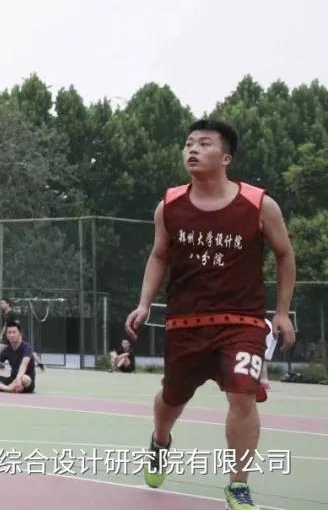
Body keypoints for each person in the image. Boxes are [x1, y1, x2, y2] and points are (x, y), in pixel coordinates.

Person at [125, 119, 296, 510]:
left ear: (226, 157)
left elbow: (285, 255)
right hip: (186, 322)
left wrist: (283, 312)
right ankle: (160, 440)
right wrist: (144, 303)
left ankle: (238, 485)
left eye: (204, 143)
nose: (193, 149)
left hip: (242, 322)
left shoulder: (259, 205)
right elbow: (159, 255)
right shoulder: (169, 206)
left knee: (243, 395)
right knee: (171, 398)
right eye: (189, 143)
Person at [0, 320, 35, 393]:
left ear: (20, 333)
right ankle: (8, 389)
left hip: (25, 381)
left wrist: (18, 379)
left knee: (25, 379)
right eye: (9, 333)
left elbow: (23, 365)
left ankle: (3, 388)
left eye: (14, 332)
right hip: (12, 380)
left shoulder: (27, 348)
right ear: (6, 335)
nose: (12, 335)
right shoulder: (6, 350)